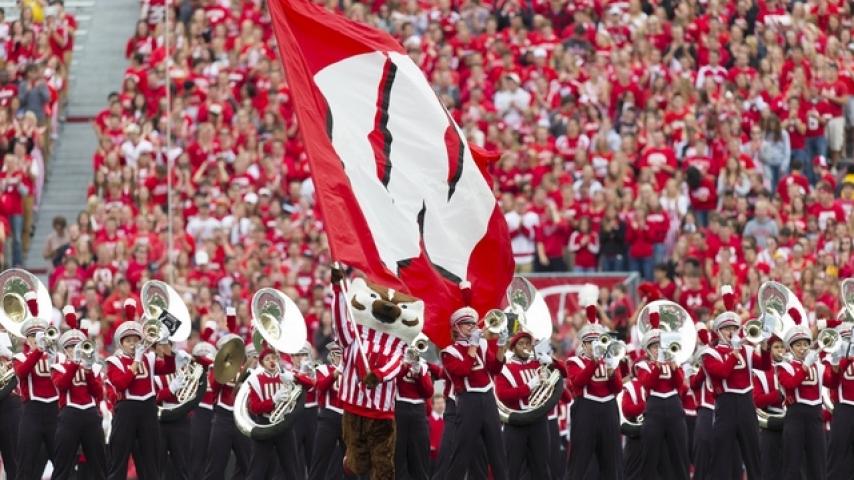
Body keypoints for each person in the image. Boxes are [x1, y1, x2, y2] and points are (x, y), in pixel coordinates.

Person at [701, 286, 764, 480]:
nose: (732, 332)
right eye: (728, 328)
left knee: (754, 454)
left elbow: (765, 365)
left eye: (735, 328)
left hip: (746, 404)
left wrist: (766, 346)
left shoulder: (746, 350)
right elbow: (722, 373)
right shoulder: (710, 353)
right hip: (726, 405)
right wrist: (733, 353)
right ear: (719, 331)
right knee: (721, 456)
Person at [440, 306, 508, 480]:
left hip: (488, 397)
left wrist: (501, 346)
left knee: (497, 449)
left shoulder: (482, 345)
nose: (472, 326)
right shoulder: (449, 352)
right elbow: (463, 371)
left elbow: (495, 369)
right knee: (462, 451)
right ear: (456, 327)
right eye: (467, 324)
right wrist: (473, 347)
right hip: (468, 401)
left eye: (473, 323)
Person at [104, 320, 175, 480]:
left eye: (135, 340)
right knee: (119, 456)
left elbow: (169, 367)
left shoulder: (149, 358)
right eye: (128, 341)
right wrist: (136, 361)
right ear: (121, 343)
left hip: (148, 409)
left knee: (151, 458)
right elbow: (120, 384)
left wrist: (165, 343)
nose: (132, 344)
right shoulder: (115, 361)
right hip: (126, 410)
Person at [565, 305, 622, 479]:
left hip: (609, 411)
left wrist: (612, 373)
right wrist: (594, 363)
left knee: (611, 462)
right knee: (579, 461)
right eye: (590, 342)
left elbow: (617, 389)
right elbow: (578, 383)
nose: (594, 345)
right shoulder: (574, 361)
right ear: (583, 344)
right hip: (586, 411)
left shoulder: (610, 360)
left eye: (598, 341)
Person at [246, 345, 313, 480]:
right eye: (267, 359)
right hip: (264, 424)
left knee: (292, 468)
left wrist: (295, 378)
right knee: (257, 468)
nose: (271, 361)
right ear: (261, 363)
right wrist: (273, 400)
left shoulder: (286, 375)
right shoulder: (255, 380)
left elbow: (309, 384)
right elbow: (255, 408)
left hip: (284, 425)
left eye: (273, 358)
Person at [635, 316, 690, 479]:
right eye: (654, 347)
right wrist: (658, 366)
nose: (658, 349)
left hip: (674, 407)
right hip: (654, 409)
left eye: (660, 346)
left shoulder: (673, 362)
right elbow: (648, 384)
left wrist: (674, 367)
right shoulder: (642, 365)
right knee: (650, 455)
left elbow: (679, 385)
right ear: (648, 349)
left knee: (680, 454)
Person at [50, 325, 107, 480]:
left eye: (77, 346)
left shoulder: (93, 367)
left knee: (99, 464)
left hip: (91, 415)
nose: (75, 349)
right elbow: (61, 386)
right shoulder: (59, 367)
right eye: (71, 347)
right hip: (69, 415)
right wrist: (74, 364)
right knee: (62, 464)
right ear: (65, 350)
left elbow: (98, 394)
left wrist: (88, 371)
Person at [494, 331, 552, 479]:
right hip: (516, 422)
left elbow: (563, 374)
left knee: (542, 468)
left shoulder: (538, 364)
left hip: (538, 421)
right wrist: (528, 386)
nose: (525, 347)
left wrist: (551, 361)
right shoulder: (505, 368)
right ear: (513, 348)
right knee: (512, 469)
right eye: (521, 344)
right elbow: (503, 395)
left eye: (527, 343)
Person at [777, 323, 826, 479]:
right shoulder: (784, 367)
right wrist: (805, 366)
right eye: (798, 345)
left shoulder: (818, 366)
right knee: (792, 463)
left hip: (815, 416)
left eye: (805, 344)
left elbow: (832, 383)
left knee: (817, 462)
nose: (803, 348)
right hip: (795, 416)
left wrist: (837, 365)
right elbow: (790, 384)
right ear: (791, 348)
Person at [12, 317, 59, 480]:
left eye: (40, 334)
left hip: (54, 410)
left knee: (61, 460)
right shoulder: (20, 357)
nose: (36, 338)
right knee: (26, 461)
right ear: (27, 339)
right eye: (32, 335)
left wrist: (53, 357)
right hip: (32, 411)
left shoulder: (57, 356)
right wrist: (38, 350)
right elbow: (22, 372)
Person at [202, 333, 251, 480]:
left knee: (248, 464)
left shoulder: (247, 369)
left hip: (242, 419)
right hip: (222, 418)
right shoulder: (215, 367)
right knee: (215, 466)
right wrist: (223, 369)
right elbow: (214, 389)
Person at [152, 340, 194, 480]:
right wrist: (170, 390)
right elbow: (152, 397)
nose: (164, 348)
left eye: (167, 345)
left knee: (182, 466)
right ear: (154, 348)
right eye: (160, 345)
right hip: (159, 421)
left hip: (180, 420)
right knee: (157, 466)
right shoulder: (152, 367)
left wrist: (191, 366)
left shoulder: (184, 365)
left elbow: (193, 393)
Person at [308, 342, 348, 480]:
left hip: (347, 419)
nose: (339, 358)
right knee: (320, 460)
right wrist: (335, 373)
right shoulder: (324, 369)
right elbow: (320, 386)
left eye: (341, 355)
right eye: (336, 354)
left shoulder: (351, 373)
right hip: (329, 417)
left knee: (351, 463)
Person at [394, 339, 434, 480]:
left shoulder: (422, 365)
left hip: (418, 411)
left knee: (419, 454)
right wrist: (405, 364)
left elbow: (428, 392)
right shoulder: (395, 361)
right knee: (398, 454)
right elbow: (394, 381)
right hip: (399, 408)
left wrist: (419, 372)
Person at [752, 334, 786, 480]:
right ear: (769, 349)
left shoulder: (790, 367)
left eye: (782, 347)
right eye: (776, 347)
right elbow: (757, 401)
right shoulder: (761, 371)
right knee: (769, 469)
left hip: (790, 422)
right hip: (770, 422)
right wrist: (778, 394)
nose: (780, 350)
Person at [824, 322, 854, 480]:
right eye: (845, 339)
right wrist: (844, 358)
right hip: (843, 408)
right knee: (838, 454)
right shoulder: (831, 358)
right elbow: (831, 382)